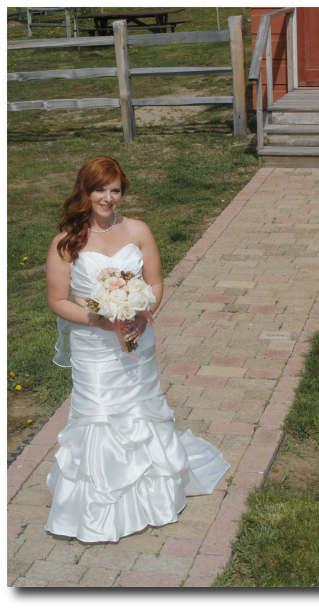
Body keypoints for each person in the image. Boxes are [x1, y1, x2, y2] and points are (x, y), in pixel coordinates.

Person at [44, 156, 230, 543]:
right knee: (98, 414)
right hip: (94, 346)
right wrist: (102, 321)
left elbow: (156, 283)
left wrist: (142, 314)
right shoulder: (66, 242)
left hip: (136, 338)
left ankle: (153, 495)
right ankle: (95, 508)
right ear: (85, 191)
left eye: (115, 190)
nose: (108, 198)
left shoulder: (139, 230)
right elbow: (59, 301)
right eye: (100, 189)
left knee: (142, 410)